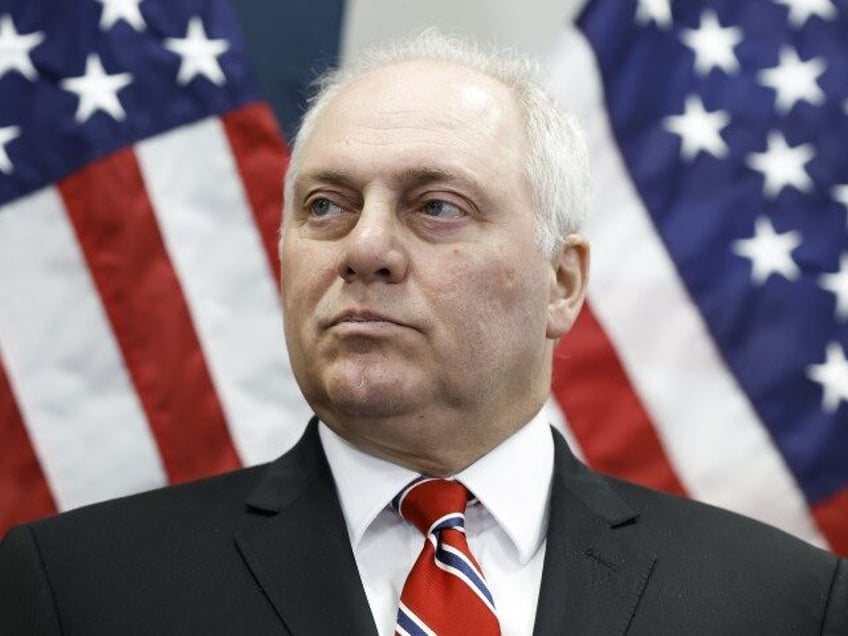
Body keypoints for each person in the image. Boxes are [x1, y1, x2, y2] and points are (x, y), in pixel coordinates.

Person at [1, 30, 845, 636]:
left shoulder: (784, 604)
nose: (364, 248)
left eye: (436, 206)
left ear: (562, 282)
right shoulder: (76, 592)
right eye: (326, 206)